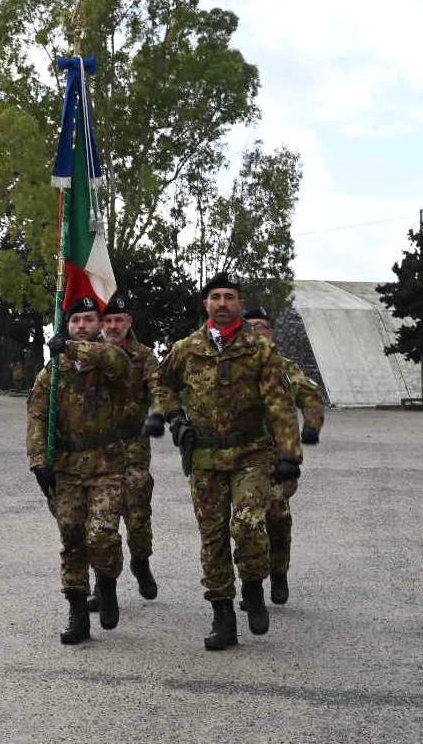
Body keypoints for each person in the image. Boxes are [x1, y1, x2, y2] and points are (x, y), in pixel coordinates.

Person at [147, 274, 302, 650]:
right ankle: (222, 615)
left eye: (229, 297)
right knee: (212, 537)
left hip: (251, 453)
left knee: (249, 525)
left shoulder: (260, 350)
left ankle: (252, 586)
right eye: (215, 297)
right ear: (206, 305)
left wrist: (288, 456)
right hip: (204, 456)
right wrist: (173, 416)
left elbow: (280, 405)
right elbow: (160, 382)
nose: (221, 303)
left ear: (239, 302)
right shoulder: (188, 348)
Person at [27, 296, 131, 645]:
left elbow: (117, 362)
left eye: (89, 320)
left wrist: (71, 348)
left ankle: (106, 583)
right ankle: (76, 610)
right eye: (75, 321)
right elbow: (38, 417)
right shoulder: (52, 372)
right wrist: (39, 460)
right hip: (67, 469)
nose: (82, 326)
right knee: (72, 538)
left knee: (101, 535)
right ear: (66, 325)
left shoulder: (109, 360)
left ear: (100, 325)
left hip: (106, 465)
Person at [242, 307, 325, 605]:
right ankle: (252, 583)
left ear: (271, 333)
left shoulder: (285, 367)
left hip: (279, 459)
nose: (255, 332)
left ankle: (278, 572)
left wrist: (312, 427)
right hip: (244, 459)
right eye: (249, 326)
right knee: (247, 521)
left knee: (276, 515)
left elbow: (311, 397)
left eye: (261, 327)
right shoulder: (234, 367)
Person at [90, 291, 160, 608]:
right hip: (97, 448)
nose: (114, 325)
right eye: (109, 320)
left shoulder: (144, 356)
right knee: (98, 519)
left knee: (137, 513)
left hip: (133, 445)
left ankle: (141, 561)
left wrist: (158, 413)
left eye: (120, 320)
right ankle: (103, 585)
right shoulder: (89, 353)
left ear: (129, 322)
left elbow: (159, 388)